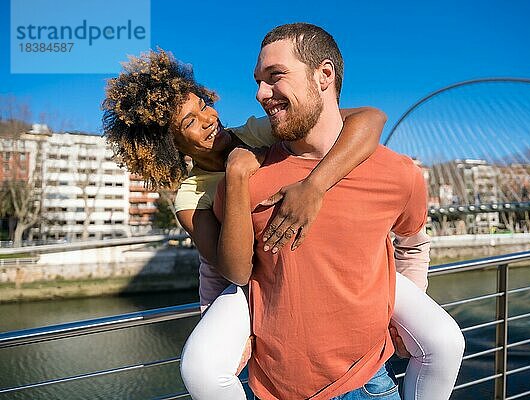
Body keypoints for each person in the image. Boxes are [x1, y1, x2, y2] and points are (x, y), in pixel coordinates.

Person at [102, 48, 463, 400]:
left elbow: (369, 117)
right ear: (170, 144)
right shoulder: (191, 197)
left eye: (203, 106)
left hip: (340, 291)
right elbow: (233, 272)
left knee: (445, 341)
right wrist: (238, 176)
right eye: (189, 123)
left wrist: (314, 185)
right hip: (253, 287)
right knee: (200, 371)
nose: (209, 120)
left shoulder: (256, 132)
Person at [213, 23, 464, 400]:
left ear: (324, 75)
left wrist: (402, 315)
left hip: (368, 385)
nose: (260, 94)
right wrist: (224, 335)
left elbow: (411, 245)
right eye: (258, 81)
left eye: (274, 76)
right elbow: (216, 264)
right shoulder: (246, 178)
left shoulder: (399, 174)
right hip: (269, 390)